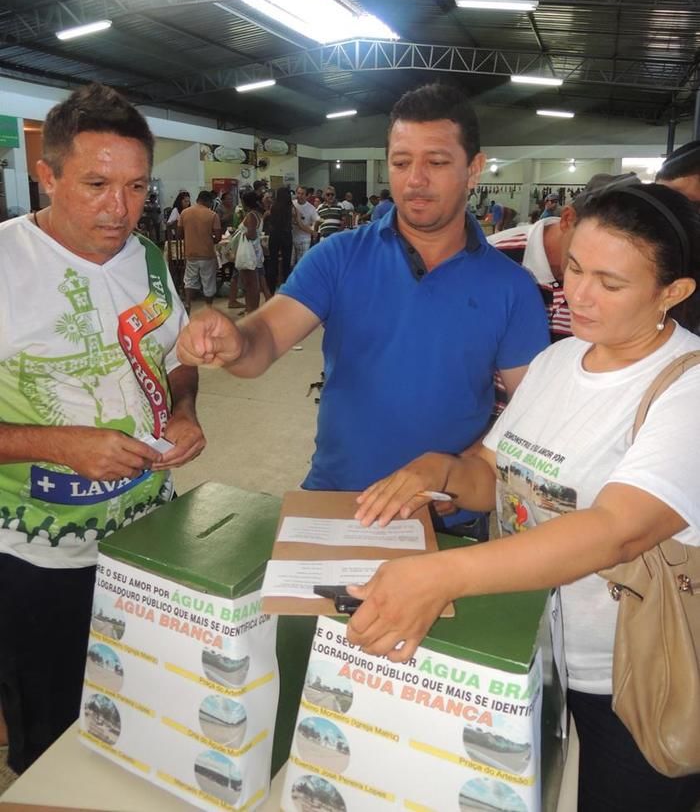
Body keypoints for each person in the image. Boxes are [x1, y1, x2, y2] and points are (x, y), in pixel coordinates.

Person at [349, 182, 700, 812]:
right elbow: (495, 475)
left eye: (610, 283)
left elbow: (618, 528)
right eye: (573, 267)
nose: (577, 294)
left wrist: (441, 574)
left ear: (672, 293)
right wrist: (442, 471)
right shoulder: (561, 360)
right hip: (522, 645)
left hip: (627, 672)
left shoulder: (688, 389)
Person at [177, 82, 549, 533]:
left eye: (436, 162)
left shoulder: (511, 287)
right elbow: (266, 339)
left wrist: (461, 473)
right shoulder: (338, 256)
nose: (415, 180)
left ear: (473, 169)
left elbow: (531, 412)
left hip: (445, 518)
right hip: (336, 502)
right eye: (401, 162)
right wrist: (233, 342)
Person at [0, 83, 205, 774]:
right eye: (95, 183)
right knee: (55, 739)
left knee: (141, 710)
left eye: (137, 186)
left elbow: (175, 356)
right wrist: (56, 443)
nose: (119, 208)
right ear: (47, 175)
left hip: (147, 537)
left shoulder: (146, 258)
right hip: (35, 558)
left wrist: (185, 408)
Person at [178, 189, 222, 313]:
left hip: (190, 253)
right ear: (208, 201)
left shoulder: (184, 213)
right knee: (208, 282)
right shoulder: (212, 215)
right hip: (207, 253)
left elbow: (179, 233)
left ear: (198, 199)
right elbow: (218, 237)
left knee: (189, 280)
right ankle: (208, 308)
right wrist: (208, 239)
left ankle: (187, 303)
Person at [265, 186, 293, 295]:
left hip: (274, 235)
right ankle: (287, 289)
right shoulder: (290, 207)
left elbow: (269, 220)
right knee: (286, 262)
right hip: (286, 235)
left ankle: (271, 288)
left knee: (273, 261)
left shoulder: (274, 207)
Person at [292, 185, 320, 263]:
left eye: (302, 194)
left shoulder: (311, 208)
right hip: (291, 237)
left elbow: (316, 221)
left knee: (301, 263)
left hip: (304, 239)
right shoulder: (292, 204)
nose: (299, 196)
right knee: (290, 263)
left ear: (307, 195)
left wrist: (314, 231)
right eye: (298, 193)